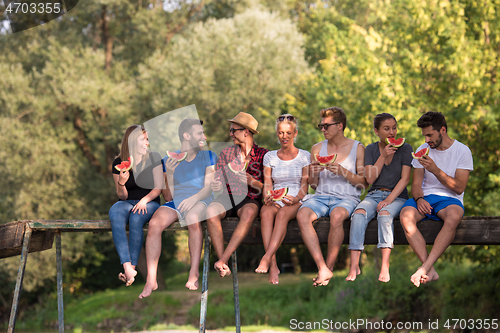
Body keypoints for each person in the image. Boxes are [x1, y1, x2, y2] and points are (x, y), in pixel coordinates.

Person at [139, 118, 217, 298]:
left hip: (201, 199)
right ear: (186, 135)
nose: (204, 137)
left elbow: (208, 187)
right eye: (200, 134)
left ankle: (194, 272)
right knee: (154, 224)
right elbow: (168, 197)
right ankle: (151, 278)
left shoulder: (210, 156)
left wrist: (194, 198)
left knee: (192, 218)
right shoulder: (168, 160)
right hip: (177, 201)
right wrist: (170, 174)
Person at [399, 111, 473, 287]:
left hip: (450, 199)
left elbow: (459, 187)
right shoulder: (421, 150)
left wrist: (435, 170)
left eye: (430, 135)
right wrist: (419, 199)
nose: (426, 140)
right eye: (424, 135)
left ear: (443, 130)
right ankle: (429, 269)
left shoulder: (462, 151)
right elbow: (416, 185)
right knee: (405, 216)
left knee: (454, 217)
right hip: (425, 197)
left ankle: (424, 268)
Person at [296, 106, 367, 287]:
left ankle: (330, 266)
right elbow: (313, 184)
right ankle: (322, 267)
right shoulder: (317, 149)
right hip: (320, 197)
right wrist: (312, 173)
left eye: (327, 126)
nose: (323, 129)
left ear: (340, 126)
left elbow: (364, 184)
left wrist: (343, 171)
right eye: (321, 126)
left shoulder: (358, 148)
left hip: (347, 198)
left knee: (337, 216)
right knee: (302, 215)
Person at [346, 113, 412, 283]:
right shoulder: (371, 149)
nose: (392, 132)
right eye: (386, 128)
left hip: (397, 197)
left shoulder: (406, 149)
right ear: (377, 131)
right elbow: (369, 179)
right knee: (358, 214)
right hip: (374, 195)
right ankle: (354, 265)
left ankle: (385, 265)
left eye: (394, 128)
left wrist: (388, 200)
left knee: (384, 215)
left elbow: (405, 179)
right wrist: (383, 156)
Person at [206, 112, 268, 278]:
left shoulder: (264, 155)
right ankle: (222, 262)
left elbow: (270, 188)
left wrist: (252, 182)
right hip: (227, 197)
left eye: (234, 130)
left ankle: (223, 259)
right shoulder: (226, 153)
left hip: (250, 199)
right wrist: (216, 184)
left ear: (246, 131)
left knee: (248, 213)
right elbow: (217, 180)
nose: (231, 133)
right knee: (211, 212)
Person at [254, 114, 310, 284]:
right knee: (265, 213)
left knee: (283, 214)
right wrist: (267, 196)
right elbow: (268, 182)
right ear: (277, 134)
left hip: (296, 199)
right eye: (280, 133)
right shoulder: (269, 157)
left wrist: (296, 198)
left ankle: (267, 258)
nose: (284, 136)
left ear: (295, 133)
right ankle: (274, 265)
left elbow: (305, 184)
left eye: (288, 132)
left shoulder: (304, 156)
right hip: (275, 198)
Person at [110, 125, 164, 287]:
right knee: (115, 212)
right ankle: (127, 266)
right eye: (143, 139)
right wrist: (121, 182)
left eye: (147, 139)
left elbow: (158, 188)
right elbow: (122, 196)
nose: (147, 143)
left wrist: (144, 200)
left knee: (136, 218)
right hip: (127, 202)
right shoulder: (118, 163)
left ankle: (131, 268)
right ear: (132, 141)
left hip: (150, 202)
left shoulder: (154, 158)